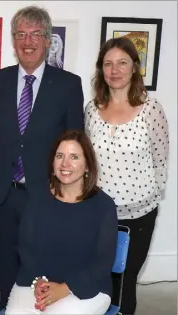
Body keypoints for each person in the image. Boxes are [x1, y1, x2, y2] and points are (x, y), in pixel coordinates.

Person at [0, 5, 85, 309]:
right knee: (7, 261)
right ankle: (6, 308)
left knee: (45, 258)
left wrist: (67, 191)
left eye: (36, 34)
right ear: (13, 41)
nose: (28, 41)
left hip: (48, 193)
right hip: (4, 193)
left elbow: (75, 146)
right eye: (21, 34)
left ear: (48, 40)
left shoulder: (68, 85)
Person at [85, 37, 170, 315]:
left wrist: (152, 196)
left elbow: (161, 160)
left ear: (135, 67)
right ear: (101, 70)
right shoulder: (91, 110)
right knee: (100, 278)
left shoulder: (151, 109)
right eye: (108, 64)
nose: (115, 70)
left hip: (139, 215)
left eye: (122, 63)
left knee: (126, 280)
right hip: (98, 213)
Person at [5, 129, 117, 314]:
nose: (65, 163)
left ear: (87, 165)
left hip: (86, 288)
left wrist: (64, 288)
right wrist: (39, 281)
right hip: (36, 281)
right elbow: (25, 247)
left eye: (74, 157)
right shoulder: (38, 199)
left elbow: (102, 263)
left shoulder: (103, 206)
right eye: (60, 156)